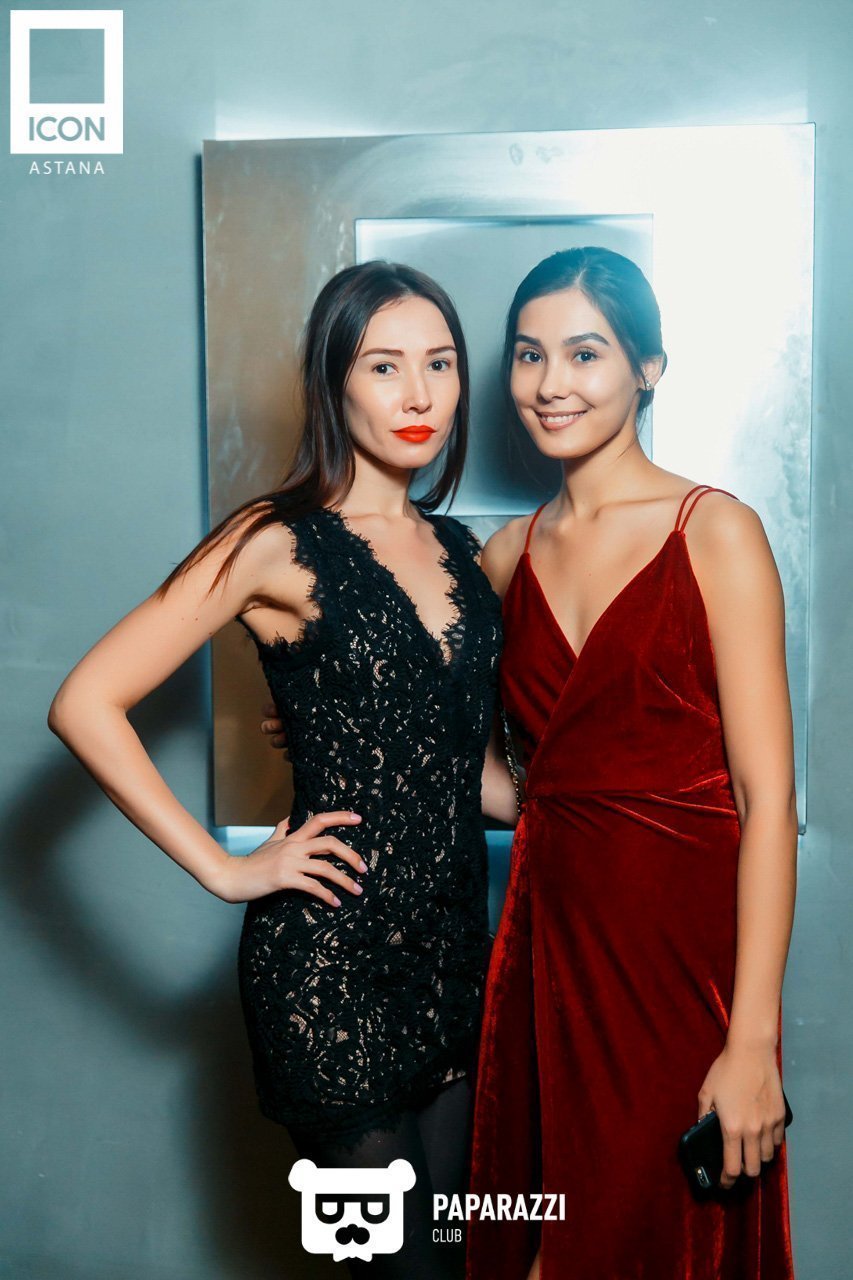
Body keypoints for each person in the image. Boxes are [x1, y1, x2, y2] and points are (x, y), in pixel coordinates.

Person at [47, 260, 516, 1280]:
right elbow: (85, 701)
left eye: (439, 363)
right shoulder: (272, 542)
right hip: (328, 967)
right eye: (383, 365)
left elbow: (473, 777)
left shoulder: (459, 549)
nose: (418, 393)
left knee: (454, 1261)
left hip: (452, 961)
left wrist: (626, 792)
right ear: (333, 381)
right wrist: (226, 868)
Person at [463, 247, 798, 1279]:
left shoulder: (715, 531)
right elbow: (521, 791)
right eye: (528, 355)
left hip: (678, 971)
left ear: (648, 367)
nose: (550, 383)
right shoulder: (505, 557)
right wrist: (352, 733)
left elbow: (767, 799)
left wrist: (749, 1042)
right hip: (544, 958)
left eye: (584, 353)